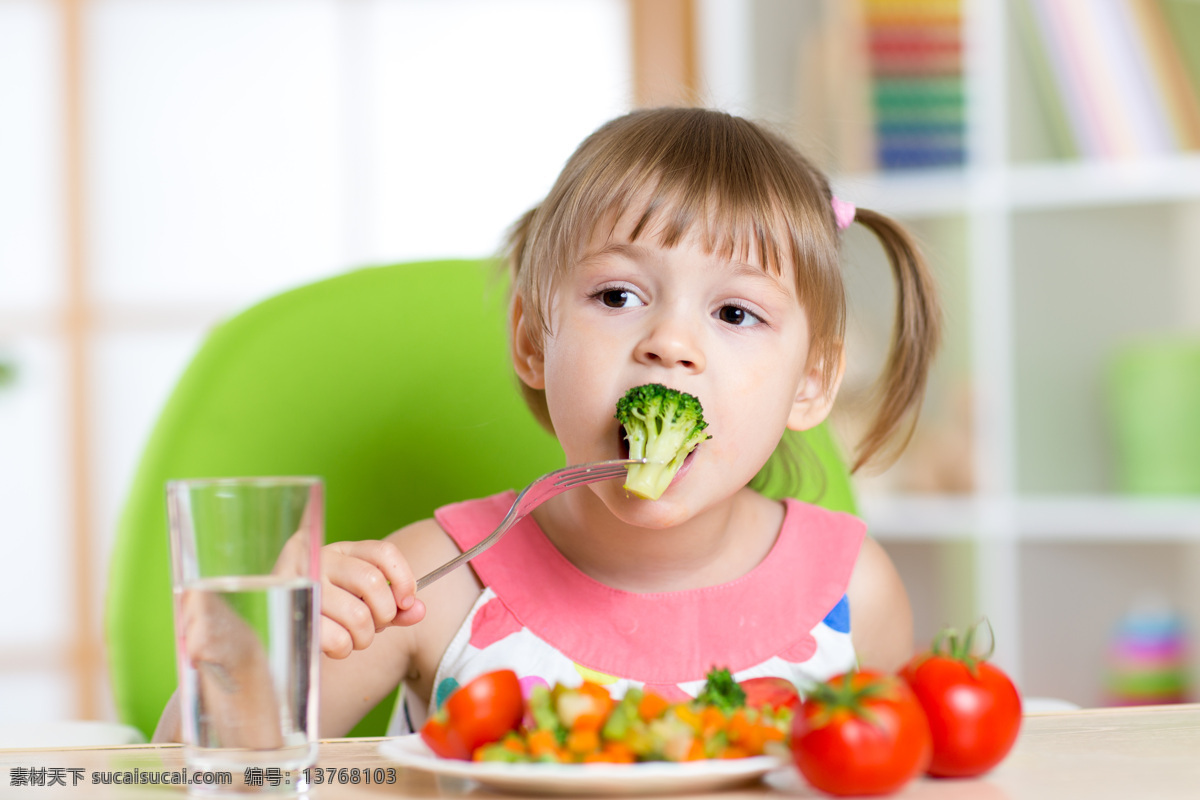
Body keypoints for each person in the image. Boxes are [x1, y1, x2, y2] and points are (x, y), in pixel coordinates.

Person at [156, 106, 941, 742]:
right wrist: (259, 650)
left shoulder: (854, 591)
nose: (669, 343)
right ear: (535, 341)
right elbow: (201, 779)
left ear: (811, 384)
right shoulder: (435, 582)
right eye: (618, 297)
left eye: (736, 312)